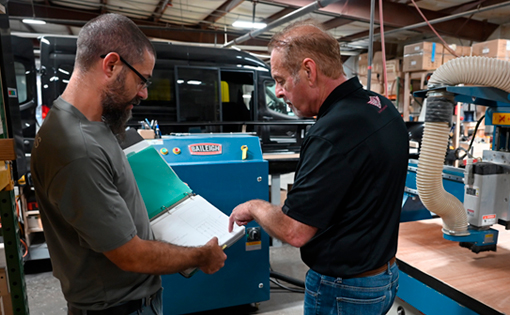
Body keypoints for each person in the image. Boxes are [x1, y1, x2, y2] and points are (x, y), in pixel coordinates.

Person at [31, 13, 226, 315]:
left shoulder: (92, 124)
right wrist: (202, 256)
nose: (144, 93)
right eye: (142, 79)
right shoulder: (77, 148)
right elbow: (130, 256)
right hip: (118, 308)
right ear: (111, 65)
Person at [229, 19, 408, 315]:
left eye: (281, 80)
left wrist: (254, 206)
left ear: (309, 71)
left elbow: (295, 232)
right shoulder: (381, 107)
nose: (280, 91)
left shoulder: (330, 133)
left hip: (345, 290)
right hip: (385, 277)